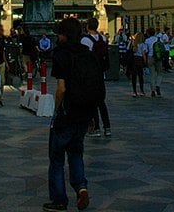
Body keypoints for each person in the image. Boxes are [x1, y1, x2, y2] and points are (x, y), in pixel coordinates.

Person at [43, 17, 98, 211]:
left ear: (64, 34)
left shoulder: (61, 53)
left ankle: (59, 200)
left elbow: (61, 88)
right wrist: (92, 114)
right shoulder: (87, 53)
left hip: (67, 113)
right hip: (84, 112)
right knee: (76, 154)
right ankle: (81, 188)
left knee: (57, 159)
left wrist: (56, 109)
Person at [80, 18, 111, 138]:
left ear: (88, 26)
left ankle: (95, 128)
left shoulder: (85, 40)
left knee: (92, 103)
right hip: (101, 74)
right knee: (101, 102)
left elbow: (84, 59)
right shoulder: (103, 38)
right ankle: (107, 127)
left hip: (90, 75)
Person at [143, 28, 164, 98]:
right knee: (159, 73)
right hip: (158, 57)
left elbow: (145, 51)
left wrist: (145, 60)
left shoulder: (147, 40)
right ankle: (157, 85)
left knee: (152, 74)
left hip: (150, 57)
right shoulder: (159, 39)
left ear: (148, 33)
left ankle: (152, 90)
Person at [128, 32, 145, 97]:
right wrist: (145, 62)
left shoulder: (133, 43)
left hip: (133, 60)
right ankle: (141, 91)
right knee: (141, 76)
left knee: (134, 76)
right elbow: (143, 54)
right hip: (140, 59)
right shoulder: (142, 44)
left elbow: (130, 50)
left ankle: (134, 91)